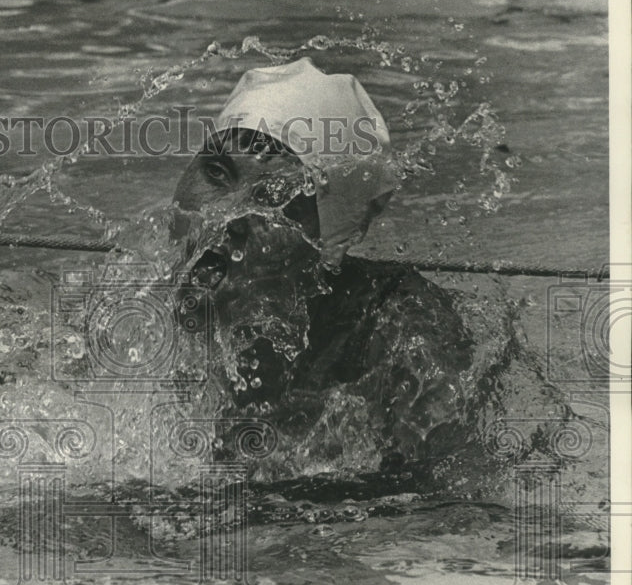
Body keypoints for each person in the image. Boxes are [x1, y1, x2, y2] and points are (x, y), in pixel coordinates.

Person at [169, 58, 479, 475]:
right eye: (216, 172)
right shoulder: (125, 309)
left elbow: (451, 497)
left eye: (272, 200)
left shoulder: (400, 333)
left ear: (326, 240)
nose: (225, 215)